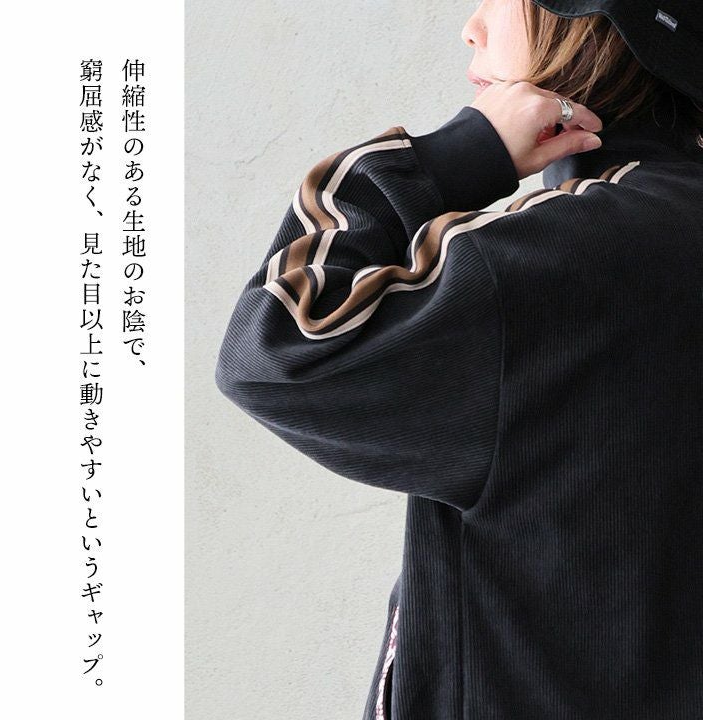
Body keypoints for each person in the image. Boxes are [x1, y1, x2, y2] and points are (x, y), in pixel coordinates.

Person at [215, 1, 703, 717]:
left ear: (594, 25)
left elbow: (276, 351)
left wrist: (449, 160)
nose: (470, 27)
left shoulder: (550, 259)